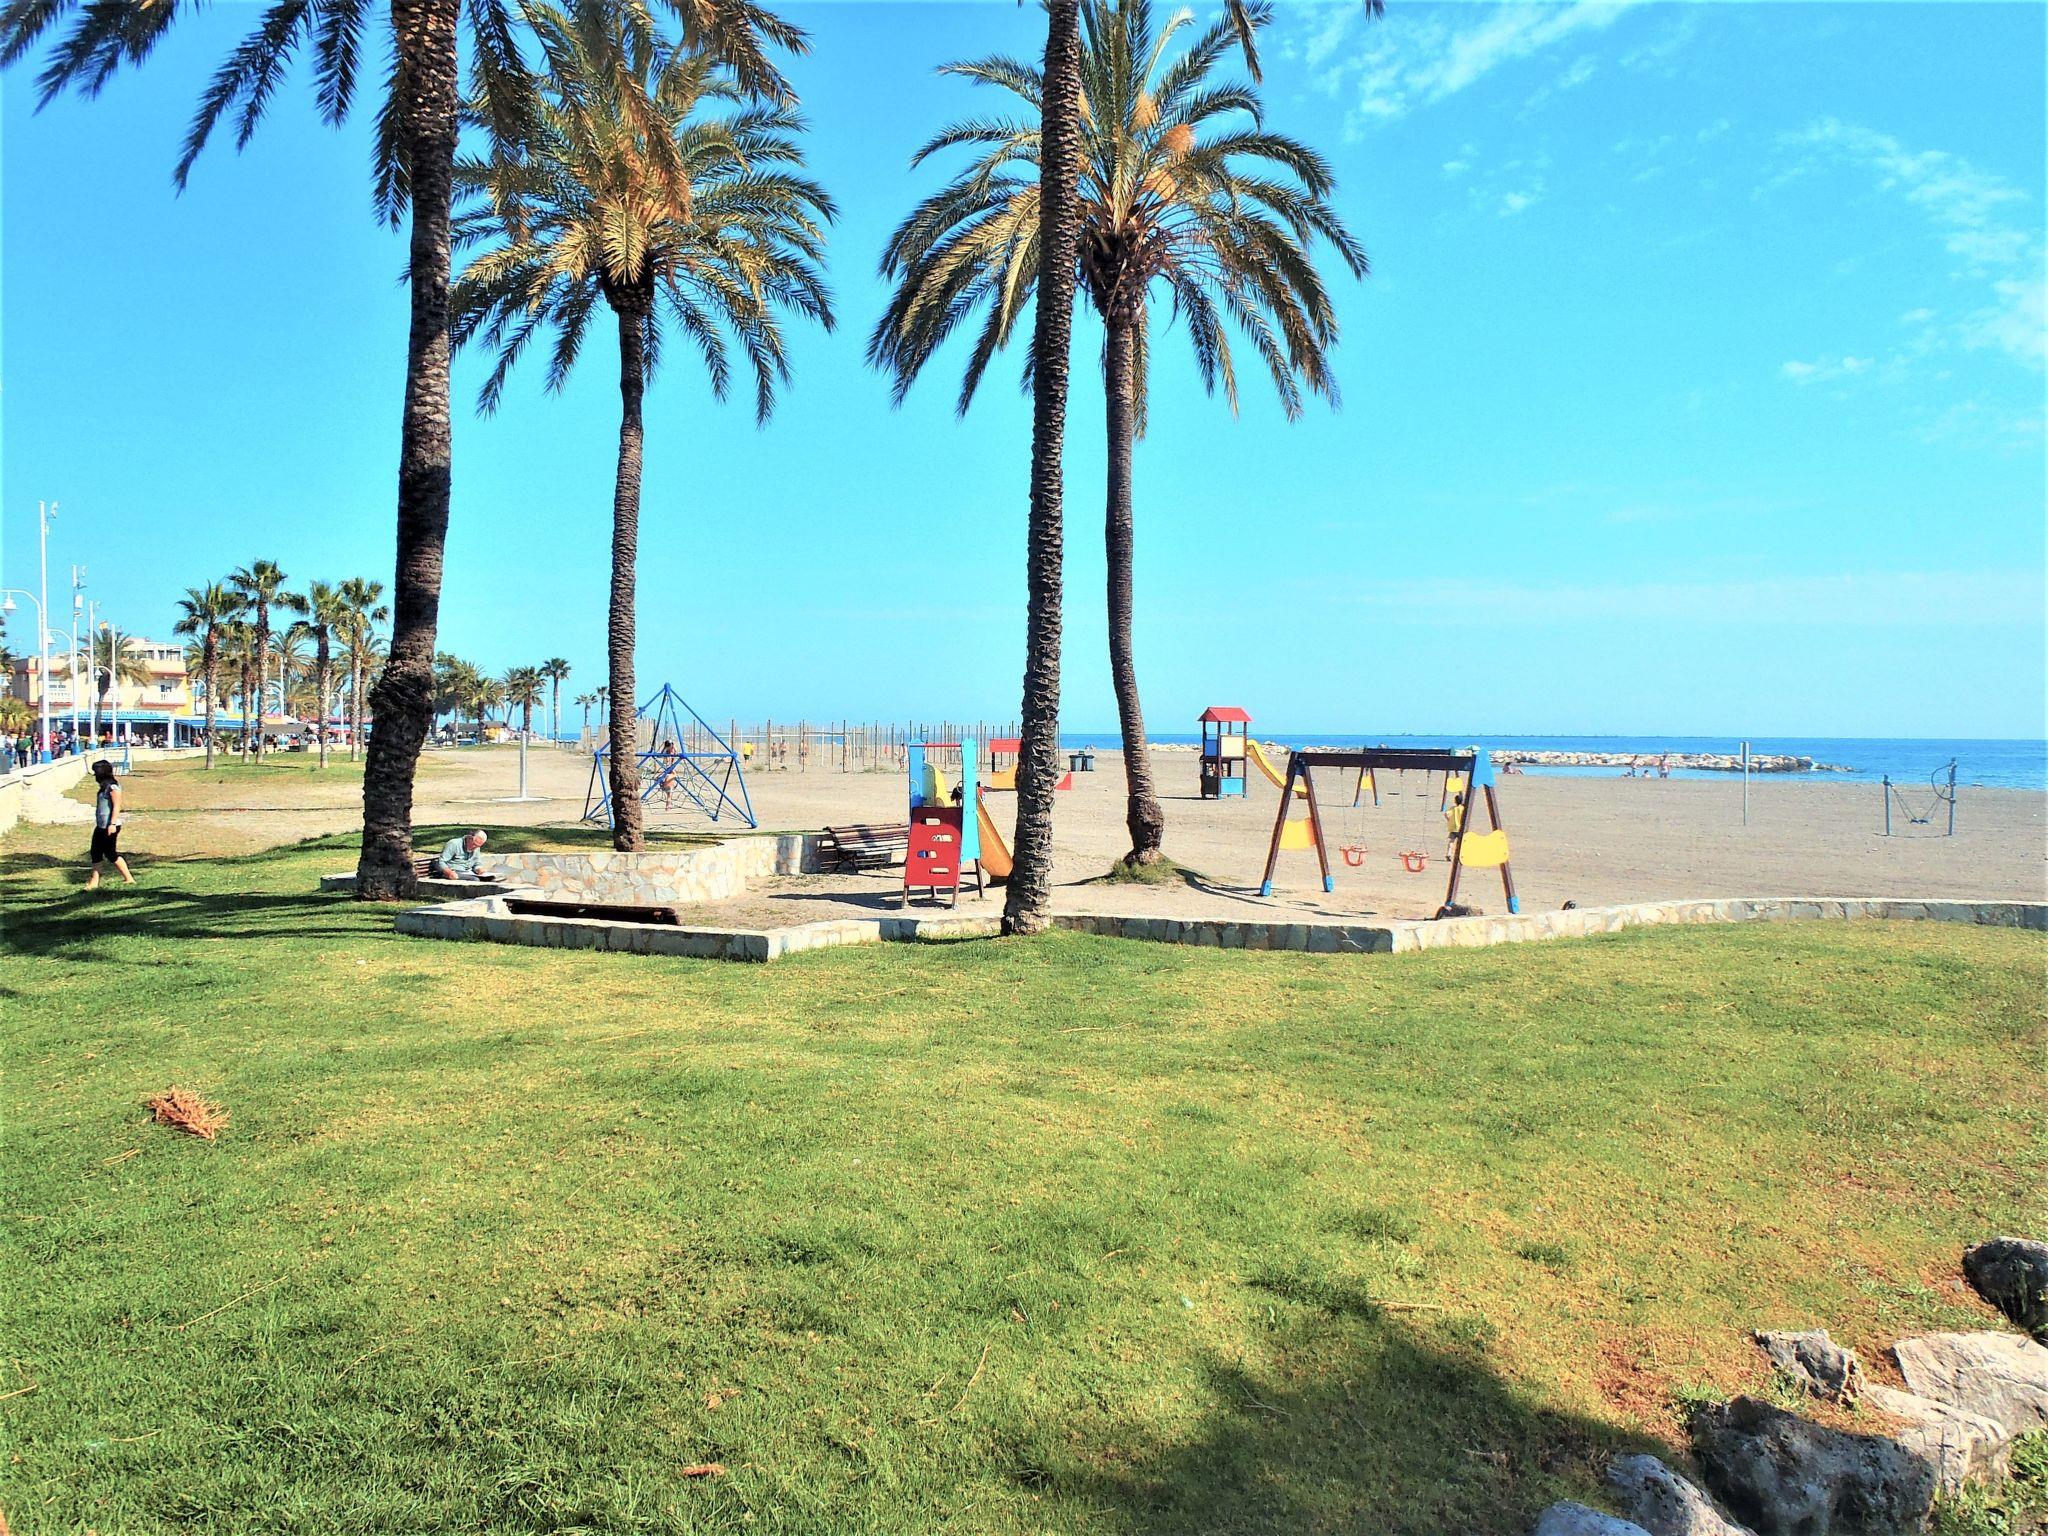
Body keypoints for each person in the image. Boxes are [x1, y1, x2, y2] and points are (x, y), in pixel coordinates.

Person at [86, 759, 135, 889]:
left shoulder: (113, 787)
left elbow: (117, 806)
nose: (95, 775)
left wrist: (112, 824)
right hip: (101, 826)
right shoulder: (103, 788)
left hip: (110, 826)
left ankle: (129, 878)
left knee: (110, 854)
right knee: (96, 852)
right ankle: (94, 881)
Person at [432, 829, 498, 882]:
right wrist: (449, 872)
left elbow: (477, 863)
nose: (475, 847)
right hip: (455, 872)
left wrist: (479, 869)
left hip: (469, 872)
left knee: (492, 879)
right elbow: (441, 861)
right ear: (469, 838)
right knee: (475, 880)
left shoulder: (476, 847)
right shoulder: (454, 844)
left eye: (478, 846)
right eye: (474, 844)